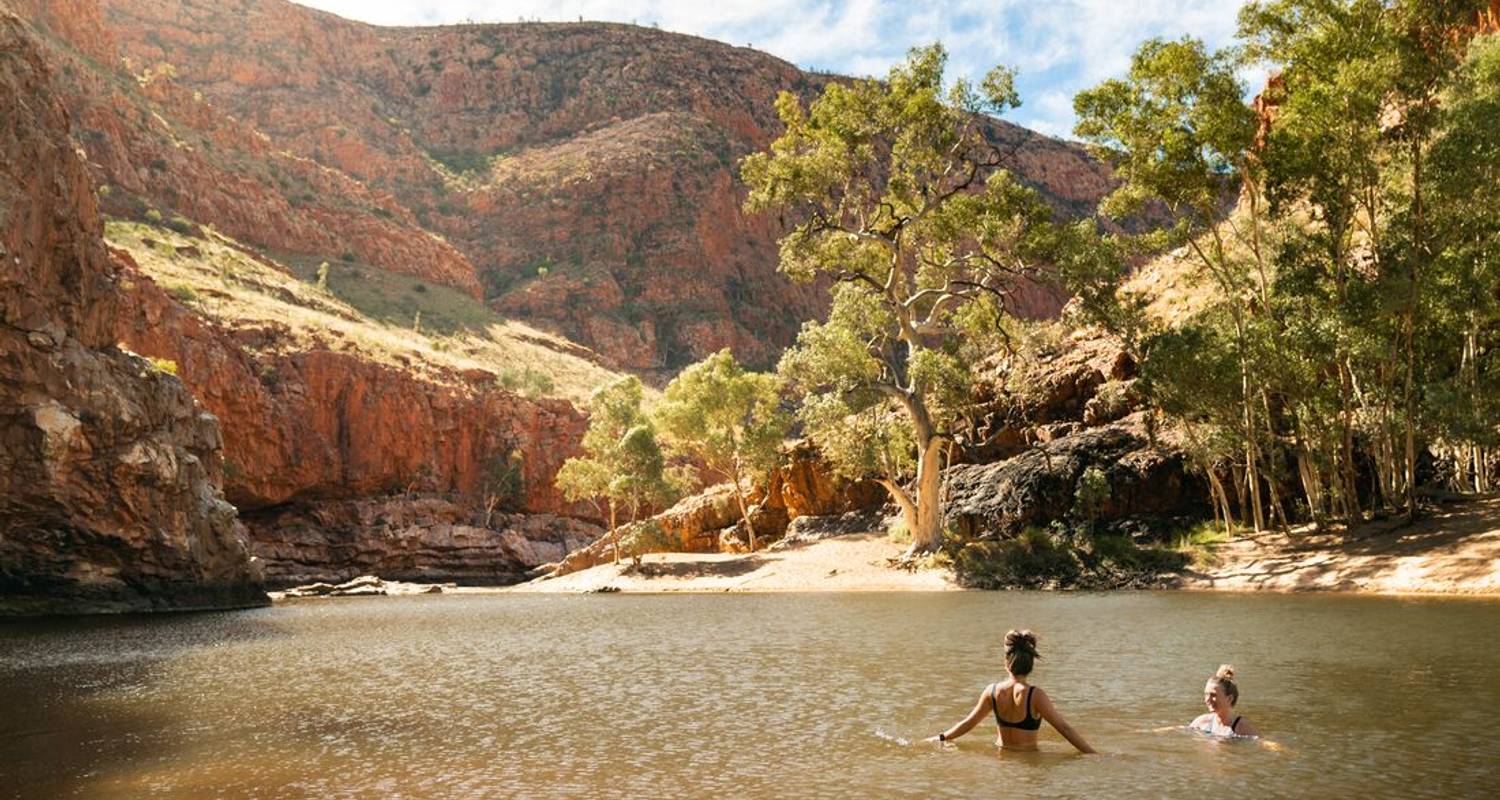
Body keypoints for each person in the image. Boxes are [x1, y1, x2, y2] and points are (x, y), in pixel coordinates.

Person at [927, 629, 1096, 754]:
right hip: (1029, 760)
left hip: (1001, 758)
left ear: (1006, 663)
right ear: (1031, 665)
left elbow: (968, 723)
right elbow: (1064, 729)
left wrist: (940, 738)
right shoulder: (1035, 695)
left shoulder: (992, 691)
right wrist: (1092, 754)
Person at [1191, 664, 1260, 737]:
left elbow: (1261, 742)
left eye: (1213, 695)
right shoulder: (1202, 722)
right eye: (1206, 694)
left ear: (1229, 699)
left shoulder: (1242, 727)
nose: (1208, 699)